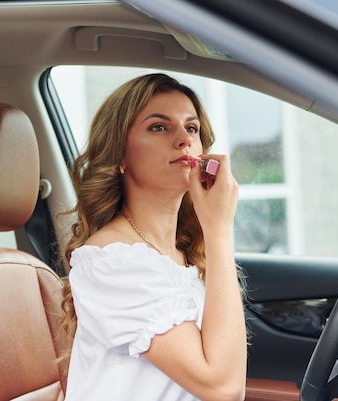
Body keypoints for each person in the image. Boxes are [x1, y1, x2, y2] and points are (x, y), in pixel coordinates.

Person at [59, 73, 247, 401]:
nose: (184, 140)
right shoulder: (113, 260)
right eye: (159, 127)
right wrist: (218, 229)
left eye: (191, 128)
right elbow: (223, 388)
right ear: (120, 155)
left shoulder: (183, 254)